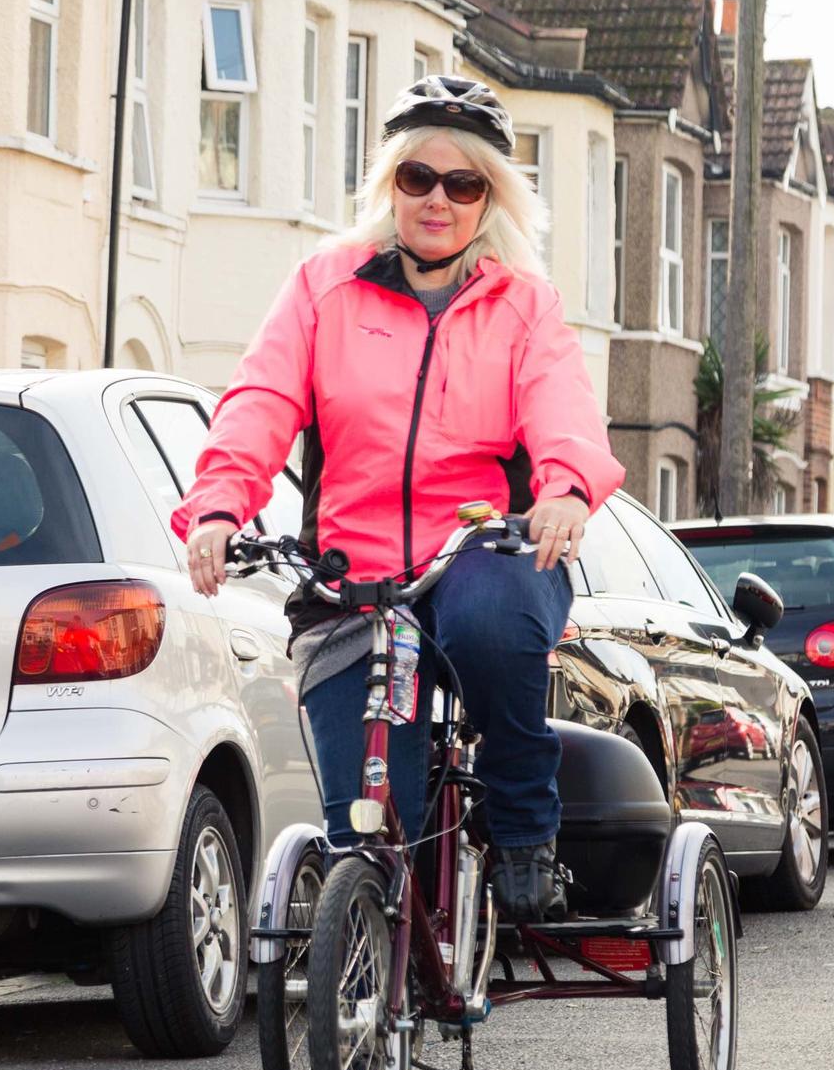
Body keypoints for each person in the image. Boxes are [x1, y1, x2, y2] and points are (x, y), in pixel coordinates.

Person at [173, 76, 623, 920]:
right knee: (368, 818)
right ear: (390, 183)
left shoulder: (522, 304)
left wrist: (564, 489)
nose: (437, 201)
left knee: (491, 627)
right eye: (417, 178)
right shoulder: (322, 286)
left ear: (491, 197)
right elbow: (261, 401)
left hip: (480, 551)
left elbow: (561, 407)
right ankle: (381, 957)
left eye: (463, 184)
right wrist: (217, 507)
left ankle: (525, 830)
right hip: (355, 568)